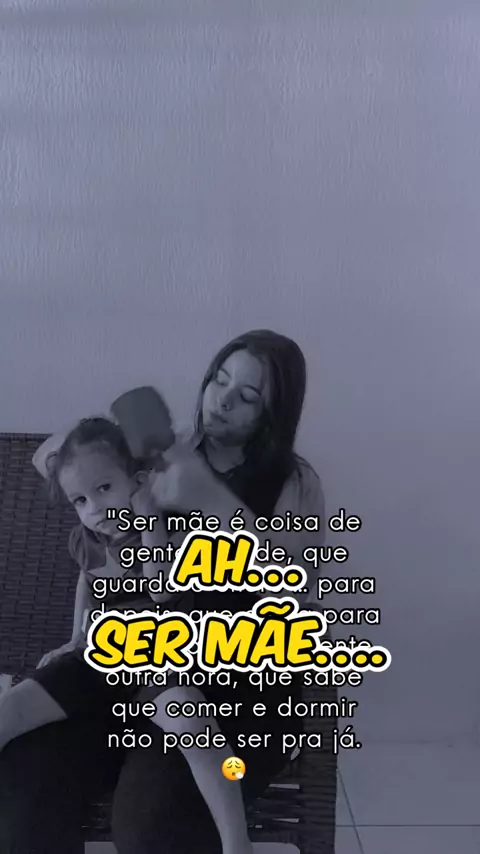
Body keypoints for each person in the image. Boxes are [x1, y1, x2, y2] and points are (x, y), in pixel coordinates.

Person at [0, 329, 332, 854]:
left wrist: (215, 502)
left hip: (235, 685)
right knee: (24, 778)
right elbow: (53, 458)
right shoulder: (161, 453)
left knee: (152, 825)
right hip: (132, 664)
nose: (223, 400)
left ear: (274, 413)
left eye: (247, 395)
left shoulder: (293, 482)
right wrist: (107, 456)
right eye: (219, 379)